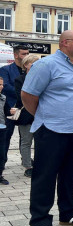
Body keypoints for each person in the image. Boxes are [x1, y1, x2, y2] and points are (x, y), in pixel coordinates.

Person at [21, 31, 73, 226]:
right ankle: (40, 220)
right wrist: (43, 115)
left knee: (71, 174)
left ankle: (68, 213)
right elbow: (28, 94)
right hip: (52, 128)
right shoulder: (46, 64)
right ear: (65, 43)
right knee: (45, 175)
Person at [0, 44, 28, 182]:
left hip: (25, 109)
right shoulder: (5, 70)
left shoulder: (29, 71)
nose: (26, 56)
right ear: (16, 55)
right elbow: (5, 87)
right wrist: (24, 93)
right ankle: (2, 162)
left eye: (27, 53)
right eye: (23, 54)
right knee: (6, 136)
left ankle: (26, 159)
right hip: (10, 108)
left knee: (26, 137)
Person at [10, 54, 39, 178]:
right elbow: (21, 97)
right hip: (26, 115)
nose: (37, 65)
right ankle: (28, 166)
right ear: (26, 65)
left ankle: (39, 164)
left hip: (40, 116)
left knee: (40, 142)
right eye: (34, 63)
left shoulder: (41, 78)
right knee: (26, 142)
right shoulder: (20, 79)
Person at [0, 78, 10, 184]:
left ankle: (0, 174)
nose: (1, 87)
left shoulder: (3, 97)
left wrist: (11, 111)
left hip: (2, 128)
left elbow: (6, 111)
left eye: (2, 85)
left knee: (1, 154)